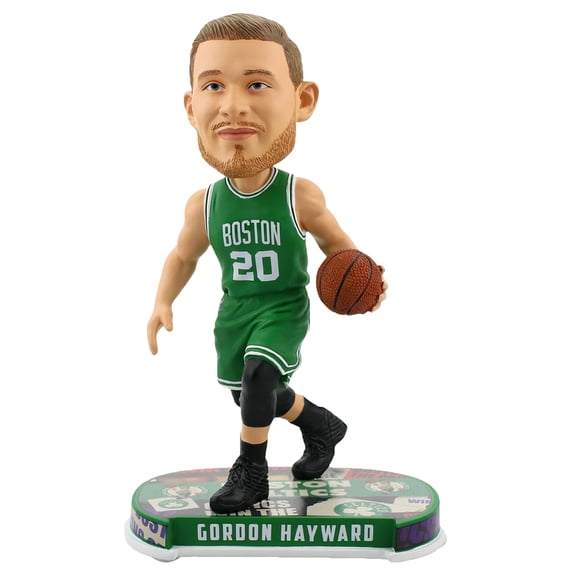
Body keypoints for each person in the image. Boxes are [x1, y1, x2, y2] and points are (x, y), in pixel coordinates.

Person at [147, 13, 387, 514]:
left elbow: (340, 250)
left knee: (259, 376)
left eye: (256, 83)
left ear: (302, 101)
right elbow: (183, 255)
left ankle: (251, 472)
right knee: (252, 397)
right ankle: (321, 425)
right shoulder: (205, 204)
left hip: (282, 306)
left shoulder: (299, 195)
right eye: (214, 85)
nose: (233, 104)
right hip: (235, 309)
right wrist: (162, 302)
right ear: (191, 107)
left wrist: (368, 282)